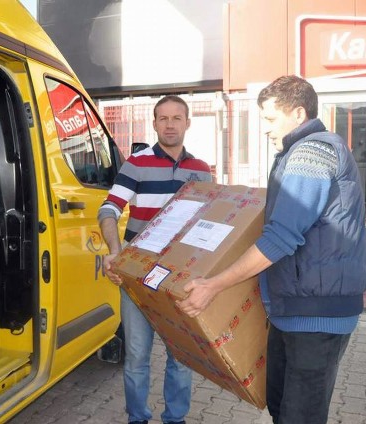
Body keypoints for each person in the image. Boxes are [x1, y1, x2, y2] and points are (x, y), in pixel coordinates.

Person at [178, 75, 366, 424]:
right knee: (281, 407)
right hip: (293, 309)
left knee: (299, 416)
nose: (265, 128)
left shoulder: (311, 152)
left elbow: (281, 236)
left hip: (318, 314)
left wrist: (214, 285)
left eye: (270, 118)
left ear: (298, 113)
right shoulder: (294, 153)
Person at [97, 95, 213, 424]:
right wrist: (115, 250)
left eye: (177, 118)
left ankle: (175, 419)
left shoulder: (201, 171)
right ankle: (138, 418)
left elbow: (210, 221)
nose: (170, 124)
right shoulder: (137, 163)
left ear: (188, 123)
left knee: (182, 356)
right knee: (136, 355)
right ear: (154, 123)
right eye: (163, 118)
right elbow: (109, 209)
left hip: (181, 276)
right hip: (137, 273)